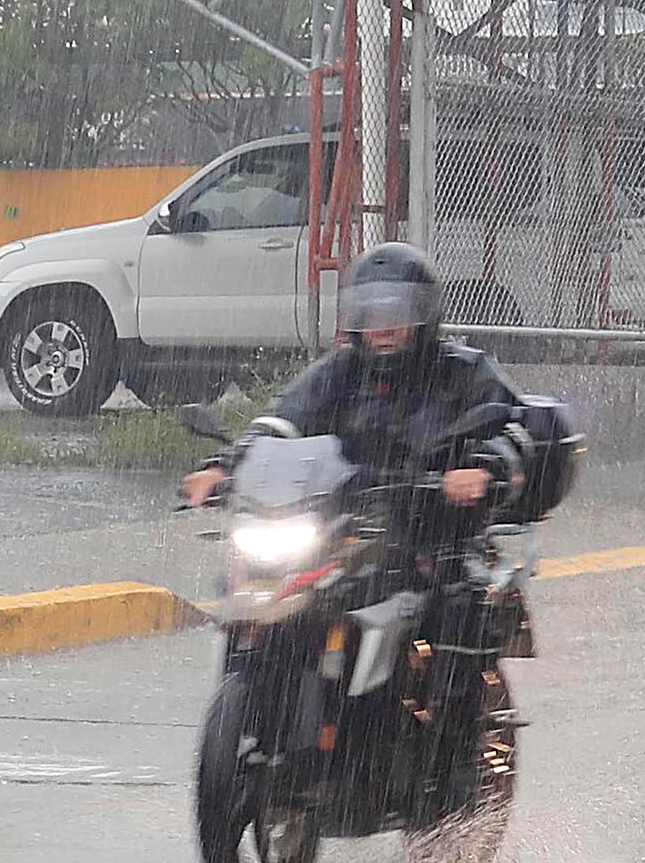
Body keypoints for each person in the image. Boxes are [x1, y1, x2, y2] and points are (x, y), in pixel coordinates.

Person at [181, 240, 534, 728]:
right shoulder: (340, 371)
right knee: (266, 589)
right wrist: (226, 466)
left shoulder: (463, 372)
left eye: (396, 313)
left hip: (432, 526)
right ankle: (261, 697)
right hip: (349, 521)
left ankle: (454, 739)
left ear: (425, 316)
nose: (382, 327)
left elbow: (513, 426)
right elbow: (283, 419)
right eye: (369, 313)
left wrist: (483, 468)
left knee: (456, 601)